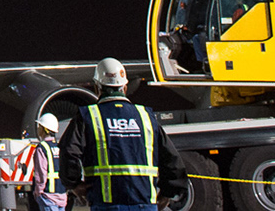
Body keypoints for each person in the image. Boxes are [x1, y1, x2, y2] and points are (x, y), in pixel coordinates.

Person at [59, 59, 186, 211]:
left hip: (106, 204)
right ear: (125, 87)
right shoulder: (146, 117)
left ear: (97, 87)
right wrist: (167, 193)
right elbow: (171, 159)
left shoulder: (88, 116)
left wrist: (74, 184)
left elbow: (69, 151)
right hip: (144, 204)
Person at [24, 112, 68, 211]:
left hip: (48, 196)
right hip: (62, 194)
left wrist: (38, 191)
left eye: (40, 126)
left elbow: (41, 173)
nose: (38, 129)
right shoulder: (60, 146)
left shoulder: (42, 148)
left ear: (45, 129)